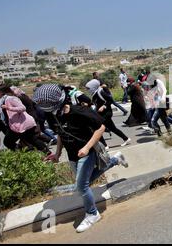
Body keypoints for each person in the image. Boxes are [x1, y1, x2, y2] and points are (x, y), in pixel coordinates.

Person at [32, 84, 129, 233]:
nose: (41, 106)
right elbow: (60, 133)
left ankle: (92, 214)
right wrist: (57, 154)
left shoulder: (80, 111)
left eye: (43, 103)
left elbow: (101, 128)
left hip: (87, 153)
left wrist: (87, 147)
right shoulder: (55, 115)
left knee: (81, 186)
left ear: (52, 102)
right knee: (84, 183)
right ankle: (115, 160)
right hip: (72, 155)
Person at [0, 84, 52, 157]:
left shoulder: (10, 99)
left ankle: (23, 154)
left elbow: (22, 108)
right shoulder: (3, 100)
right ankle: (47, 153)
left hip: (19, 124)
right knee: (31, 139)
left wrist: (9, 108)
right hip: (15, 124)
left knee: (8, 142)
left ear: (1, 92)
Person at [86, 79, 131, 148]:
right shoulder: (94, 93)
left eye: (88, 88)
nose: (87, 90)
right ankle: (126, 139)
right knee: (113, 128)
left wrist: (104, 106)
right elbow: (98, 102)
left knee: (97, 128)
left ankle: (105, 146)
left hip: (106, 113)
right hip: (102, 114)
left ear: (93, 86)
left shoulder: (100, 92)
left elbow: (110, 100)